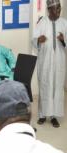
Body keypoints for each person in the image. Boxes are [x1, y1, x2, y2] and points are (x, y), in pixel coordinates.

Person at [32, 0, 67, 128]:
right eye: (55, 9)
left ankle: (53, 116)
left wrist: (64, 40)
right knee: (44, 87)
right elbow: (33, 40)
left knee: (56, 89)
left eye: (59, 9)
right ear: (49, 10)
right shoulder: (42, 22)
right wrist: (38, 40)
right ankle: (42, 115)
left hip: (59, 63)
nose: (58, 12)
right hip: (45, 62)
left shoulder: (64, 23)